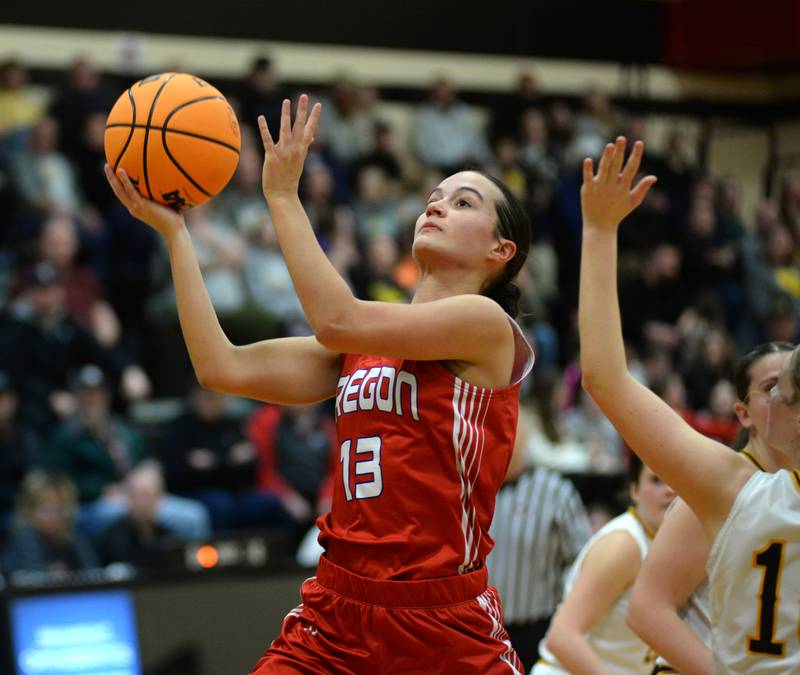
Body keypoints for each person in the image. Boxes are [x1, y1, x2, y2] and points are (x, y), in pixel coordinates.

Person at [105, 94, 534, 674]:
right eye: (433, 199)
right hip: (337, 612)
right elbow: (221, 367)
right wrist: (177, 236)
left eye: (462, 203)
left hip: (440, 620)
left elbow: (336, 318)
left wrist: (282, 196)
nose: (435, 207)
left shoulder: (486, 326)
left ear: (499, 251)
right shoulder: (362, 345)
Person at [577, 136, 800, 673]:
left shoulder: (730, 487)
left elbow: (605, 378)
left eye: (781, 383)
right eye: (765, 386)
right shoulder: (729, 480)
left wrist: (600, 232)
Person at [627, 341, 795, 675]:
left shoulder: (785, 493)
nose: (782, 397)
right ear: (743, 414)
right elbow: (646, 609)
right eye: (770, 387)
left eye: (788, 387)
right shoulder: (720, 493)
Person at [531, 454, 674, 675]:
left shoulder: (663, 544)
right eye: (656, 480)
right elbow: (562, 637)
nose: (669, 490)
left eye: (676, 481)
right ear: (634, 490)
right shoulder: (623, 544)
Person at [487, 413, 592, 672]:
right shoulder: (473, 487)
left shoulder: (555, 490)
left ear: (521, 442)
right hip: (482, 628)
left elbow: (582, 560)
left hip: (537, 628)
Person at [2, 470, 97, 575]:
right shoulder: (24, 535)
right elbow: (36, 580)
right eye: (46, 508)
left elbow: (92, 572)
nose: (53, 515)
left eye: (59, 508)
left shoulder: (69, 534)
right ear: (29, 509)